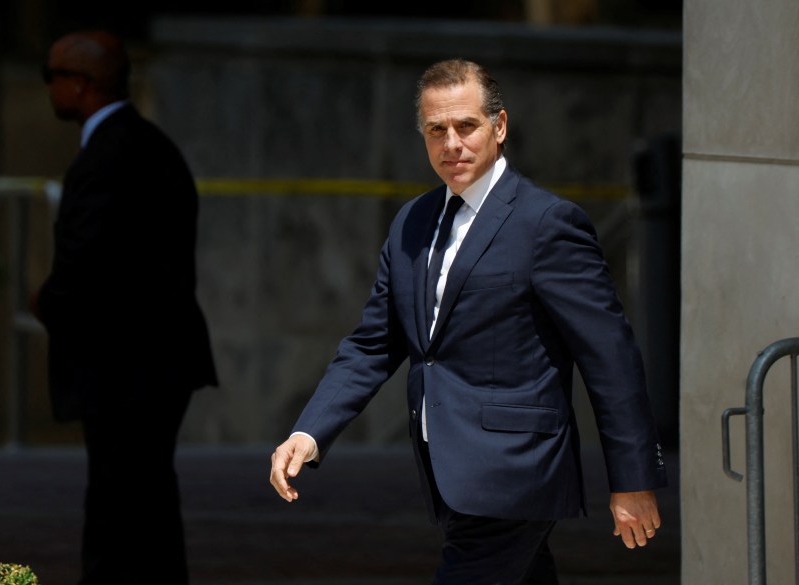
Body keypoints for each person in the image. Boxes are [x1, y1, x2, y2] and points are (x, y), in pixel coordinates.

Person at [270, 58, 666, 584]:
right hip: (447, 471)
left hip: (516, 474)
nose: (451, 143)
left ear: (499, 128)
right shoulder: (412, 222)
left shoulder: (547, 224)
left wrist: (632, 478)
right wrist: (310, 430)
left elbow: (610, 356)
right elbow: (373, 343)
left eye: (466, 126)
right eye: (437, 130)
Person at [33, 30, 217, 585]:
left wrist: (48, 299)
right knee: (148, 506)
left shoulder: (105, 157)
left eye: (53, 76)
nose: (49, 88)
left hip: (123, 368)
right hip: (156, 363)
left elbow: (87, 265)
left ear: (82, 85)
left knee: (118, 511)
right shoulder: (153, 146)